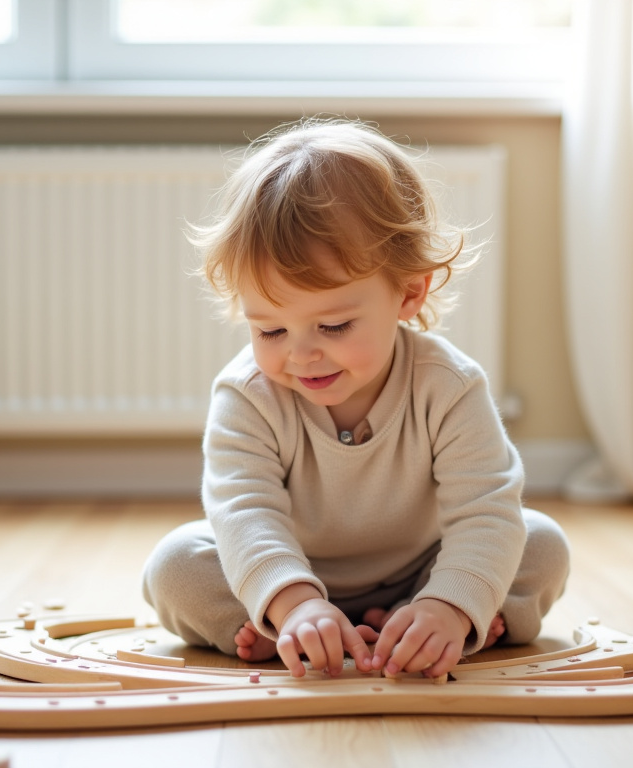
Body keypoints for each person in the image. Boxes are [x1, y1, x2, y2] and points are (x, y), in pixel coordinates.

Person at [142, 117, 570, 680]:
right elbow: (244, 512)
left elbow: (485, 509)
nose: (301, 355)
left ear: (408, 292)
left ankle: (431, 624)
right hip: (286, 573)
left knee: (540, 544)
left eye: (335, 326)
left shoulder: (449, 385)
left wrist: (448, 602)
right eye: (270, 331)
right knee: (174, 567)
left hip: (421, 570)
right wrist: (293, 603)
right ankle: (286, 628)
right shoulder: (248, 395)